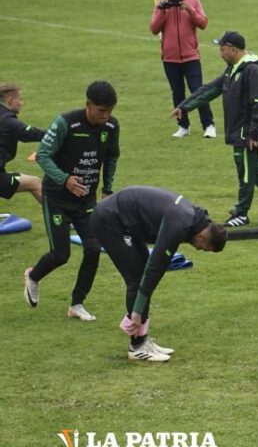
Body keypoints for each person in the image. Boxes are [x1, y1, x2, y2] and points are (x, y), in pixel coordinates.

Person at [172, 31, 258, 227]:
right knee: (253, 169)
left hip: (246, 133)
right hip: (239, 131)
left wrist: (255, 134)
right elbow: (210, 89)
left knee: (246, 173)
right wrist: (184, 106)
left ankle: (241, 213)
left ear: (233, 49)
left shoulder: (252, 71)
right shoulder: (232, 70)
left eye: (222, 49)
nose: (220, 53)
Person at [91, 186, 227, 362]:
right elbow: (154, 268)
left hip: (128, 221)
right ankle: (137, 347)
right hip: (109, 220)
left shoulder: (196, 219)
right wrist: (137, 311)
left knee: (141, 275)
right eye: (204, 248)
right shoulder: (179, 226)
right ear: (202, 237)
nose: (199, 249)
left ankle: (142, 339)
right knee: (136, 278)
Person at [23, 81, 120, 322]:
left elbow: (112, 156)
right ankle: (33, 276)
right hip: (56, 197)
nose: (105, 116)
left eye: (110, 111)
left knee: (94, 248)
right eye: (101, 111)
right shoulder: (66, 122)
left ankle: (77, 303)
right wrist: (64, 179)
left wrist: (107, 189)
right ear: (88, 105)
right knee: (60, 254)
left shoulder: (111, 126)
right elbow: (43, 155)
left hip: (85, 199)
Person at [150, 0, 216, 139]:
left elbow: (203, 23)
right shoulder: (162, 4)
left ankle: (208, 125)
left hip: (191, 57)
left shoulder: (193, 1)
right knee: (177, 93)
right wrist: (161, 11)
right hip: (169, 58)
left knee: (198, 91)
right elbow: (154, 29)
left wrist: (189, 9)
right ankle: (183, 126)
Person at [0, 83, 45, 203]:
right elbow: (33, 134)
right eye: (19, 99)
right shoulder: (8, 121)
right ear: (10, 100)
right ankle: (60, 219)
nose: (21, 103)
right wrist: (60, 134)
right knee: (34, 182)